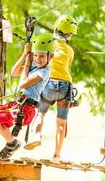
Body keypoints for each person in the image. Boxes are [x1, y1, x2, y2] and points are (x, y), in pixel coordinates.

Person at [0, 33, 54, 160]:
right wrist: (25, 55)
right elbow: (14, 72)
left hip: (26, 109)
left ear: (50, 57)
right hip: (17, 105)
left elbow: (23, 84)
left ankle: (12, 143)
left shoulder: (44, 72)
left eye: (42, 56)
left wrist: (28, 65)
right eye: (35, 55)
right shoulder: (34, 66)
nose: (37, 59)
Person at [24, 15, 78, 162]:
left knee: (41, 114)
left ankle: (37, 136)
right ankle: (56, 155)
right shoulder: (69, 51)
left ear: (55, 28)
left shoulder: (48, 44)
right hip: (65, 86)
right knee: (61, 123)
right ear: (69, 35)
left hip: (49, 83)